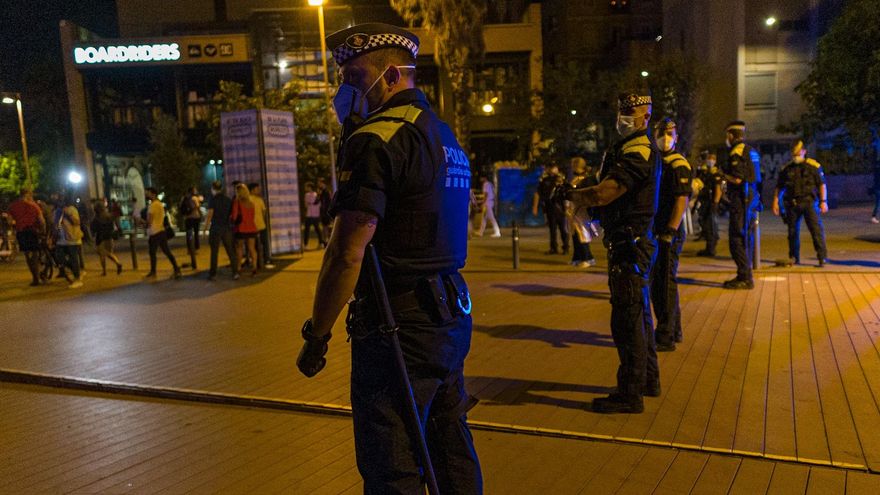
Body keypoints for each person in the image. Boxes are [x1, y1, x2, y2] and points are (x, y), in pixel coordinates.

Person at [296, 23, 482, 493]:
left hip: (397, 326)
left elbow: (346, 252)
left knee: (392, 462)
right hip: (448, 317)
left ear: (393, 74)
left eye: (356, 78)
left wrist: (318, 334)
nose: (347, 92)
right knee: (448, 441)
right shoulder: (444, 137)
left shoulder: (377, 139)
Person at [567, 92, 661, 414]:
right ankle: (648, 380)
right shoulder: (626, 148)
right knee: (639, 315)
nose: (624, 116)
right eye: (622, 110)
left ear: (645, 117)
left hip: (630, 245)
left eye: (630, 112)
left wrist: (573, 195)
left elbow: (607, 193)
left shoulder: (638, 151)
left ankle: (629, 393)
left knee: (627, 320)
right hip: (631, 243)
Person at [650, 118, 692, 351]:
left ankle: (665, 336)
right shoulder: (659, 161)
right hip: (659, 230)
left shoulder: (677, 163)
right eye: (661, 134)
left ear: (676, 137)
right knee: (665, 283)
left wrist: (670, 231)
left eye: (670, 134)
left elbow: (681, 199)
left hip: (668, 232)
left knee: (663, 284)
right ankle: (673, 330)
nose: (665, 138)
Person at [772, 139, 829, 267]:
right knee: (792, 233)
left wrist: (823, 201)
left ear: (804, 151)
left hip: (809, 202)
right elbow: (779, 187)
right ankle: (793, 257)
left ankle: (822, 257)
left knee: (816, 230)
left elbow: (822, 184)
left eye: (798, 153)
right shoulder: (787, 168)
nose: (796, 157)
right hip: (792, 204)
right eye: (794, 154)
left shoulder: (813, 166)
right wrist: (775, 201)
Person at [721, 120, 760, 289]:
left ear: (731, 135)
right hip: (751, 198)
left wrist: (722, 175)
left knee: (736, 238)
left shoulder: (736, 152)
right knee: (747, 238)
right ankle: (744, 274)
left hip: (741, 199)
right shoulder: (752, 151)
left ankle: (745, 277)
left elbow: (737, 178)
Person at [8, 187, 46, 286]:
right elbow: (42, 221)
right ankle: (38, 275)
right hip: (33, 231)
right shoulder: (34, 206)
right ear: (28, 194)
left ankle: (34, 277)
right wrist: (43, 231)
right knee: (35, 254)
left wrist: (16, 224)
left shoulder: (13, 206)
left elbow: (9, 221)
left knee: (27, 255)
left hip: (21, 232)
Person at [203, 181, 239, 280]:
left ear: (213, 189)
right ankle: (235, 272)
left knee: (214, 251)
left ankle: (213, 273)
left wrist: (205, 228)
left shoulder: (212, 200)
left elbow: (210, 214)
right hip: (226, 228)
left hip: (215, 228)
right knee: (230, 251)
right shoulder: (228, 200)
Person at [566, 157, 597, 267]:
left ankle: (588, 258)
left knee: (582, 234)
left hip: (581, 211)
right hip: (573, 211)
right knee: (575, 235)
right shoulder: (577, 178)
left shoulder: (585, 179)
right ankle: (577, 257)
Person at [145, 187, 182, 279]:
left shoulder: (153, 205)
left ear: (153, 194)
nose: (147, 195)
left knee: (152, 253)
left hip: (154, 232)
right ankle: (176, 268)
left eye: (148, 193)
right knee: (166, 251)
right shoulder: (160, 204)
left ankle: (153, 272)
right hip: (161, 231)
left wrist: (142, 222)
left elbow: (149, 221)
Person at [532, 164, 569, 254]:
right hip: (550, 208)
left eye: (554, 168)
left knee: (563, 229)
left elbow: (567, 193)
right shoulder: (544, 180)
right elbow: (538, 193)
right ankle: (553, 248)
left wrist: (567, 208)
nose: (552, 170)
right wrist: (535, 207)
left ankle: (566, 247)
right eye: (550, 168)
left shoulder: (561, 179)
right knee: (552, 230)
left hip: (560, 209)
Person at [54, 194, 85, 288]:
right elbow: (55, 224)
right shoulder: (57, 211)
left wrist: (68, 214)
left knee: (73, 258)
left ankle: (77, 278)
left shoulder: (72, 209)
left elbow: (77, 222)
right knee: (59, 256)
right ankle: (77, 270)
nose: (60, 202)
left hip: (72, 238)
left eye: (62, 200)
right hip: (61, 239)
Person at [695, 152, 723, 257]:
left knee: (711, 225)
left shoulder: (716, 173)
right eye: (709, 158)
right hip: (705, 201)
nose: (710, 160)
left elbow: (718, 189)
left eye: (712, 158)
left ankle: (711, 249)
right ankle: (709, 247)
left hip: (711, 202)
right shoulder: (705, 171)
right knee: (706, 224)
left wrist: (715, 203)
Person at [232, 182, 260, 276]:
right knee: (252, 248)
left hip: (241, 228)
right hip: (252, 227)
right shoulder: (251, 203)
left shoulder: (237, 202)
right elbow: (253, 216)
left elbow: (235, 216)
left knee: (239, 248)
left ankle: (239, 267)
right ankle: (254, 267)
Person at [91, 202, 123, 276]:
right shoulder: (109, 216)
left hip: (100, 238)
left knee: (102, 255)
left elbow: (93, 229)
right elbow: (116, 223)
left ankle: (104, 271)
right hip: (109, 237)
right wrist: (119, 230)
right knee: (109, 253)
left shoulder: (96, 219)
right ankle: (118, 263)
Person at [180, 186, 202, 270]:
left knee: (189, 234)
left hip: (187, 218)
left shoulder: (183, 198)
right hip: (195, 217)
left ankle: (189, 249)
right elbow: (197, 207)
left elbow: (181, 208)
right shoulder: (195, 198)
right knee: (195, 233)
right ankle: (195, 248)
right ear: (192, 191)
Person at [303, 182, 325, 248]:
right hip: (312, 214)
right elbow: (318, 205)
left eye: (307, 187)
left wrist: (310, 204)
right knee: (314, 229)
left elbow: (306, 205)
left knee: (312, 229)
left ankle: (307, 244)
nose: (306, 188)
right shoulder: (315, 195)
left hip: (312, 214)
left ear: (310, 187)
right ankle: (319, 243)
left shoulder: (310, 195)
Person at [317, 177, 332, 247]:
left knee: (326, 227)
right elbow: (317, 201)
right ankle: (324, 241)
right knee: (323, 227)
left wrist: (328, 212)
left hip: (326, 212)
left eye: (319, 183)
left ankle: (326, 241)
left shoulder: (327, 191)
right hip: (323, 212)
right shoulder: (321, 191)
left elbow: (329, 202)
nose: (318, 184)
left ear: (323, 183)